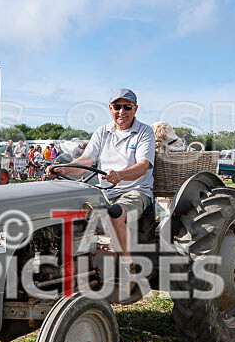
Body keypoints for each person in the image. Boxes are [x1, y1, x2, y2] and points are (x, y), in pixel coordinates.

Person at [48, 88, 155, 295]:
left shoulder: (144, 132)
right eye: (117, 107)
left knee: (115, 212)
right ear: (110, 108)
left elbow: (143, 166)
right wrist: (61, 168)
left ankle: (127, 267)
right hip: (103, 191)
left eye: (127, 107)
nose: (121, 112)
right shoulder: (102, 132)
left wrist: (121, 175)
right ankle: (66, 266)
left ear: (135, 109)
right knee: (68, 212)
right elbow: (86, 160)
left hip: (135, 190)